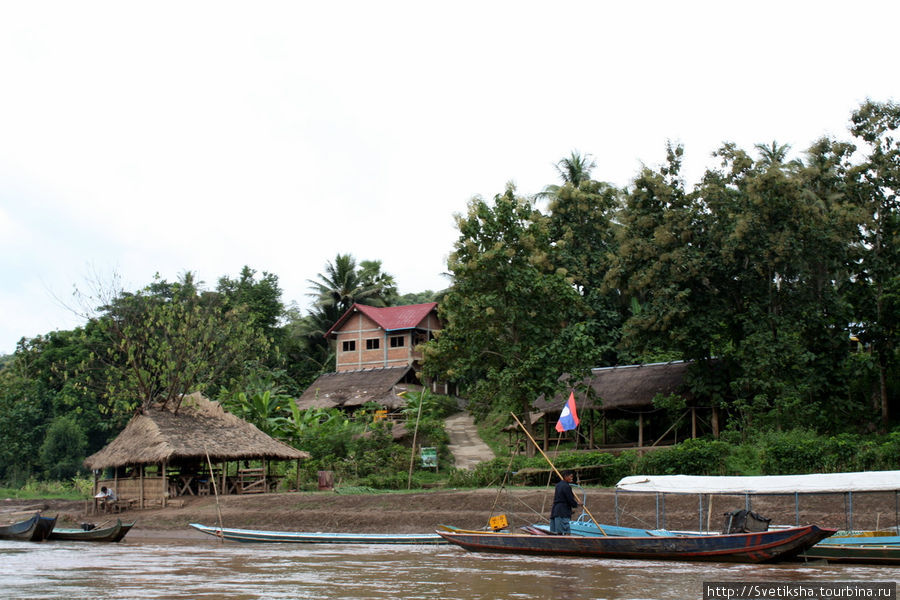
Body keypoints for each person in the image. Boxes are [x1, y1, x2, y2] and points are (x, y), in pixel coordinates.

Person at [549, 470, 580, 535]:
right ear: (565, 477)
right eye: (570, 477)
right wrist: (577, 504)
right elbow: (570, 499)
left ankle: (560, 542)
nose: (572, 478)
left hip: (556, 510)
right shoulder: (566, 486)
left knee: (558, 531)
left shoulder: (558, 485)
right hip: (562, 512)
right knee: (565, 530)